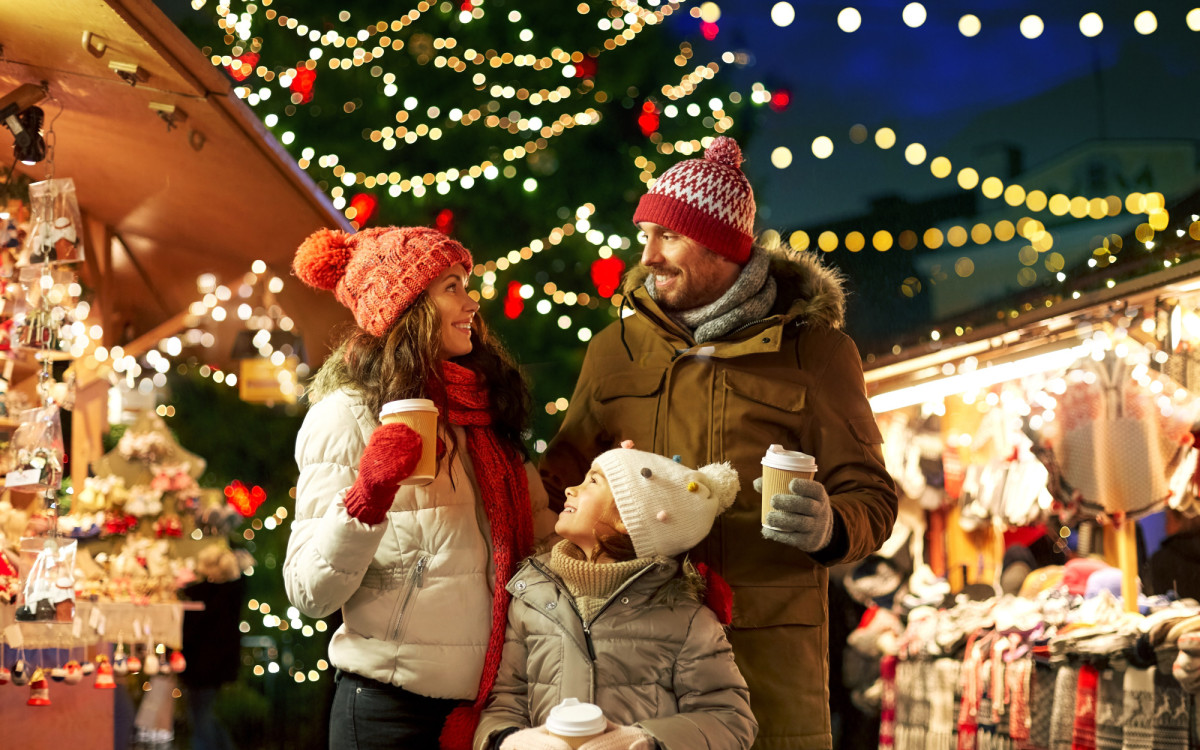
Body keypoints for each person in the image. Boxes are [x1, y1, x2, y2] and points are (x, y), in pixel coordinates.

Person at [539, 136, 898, 750]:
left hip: (765, 663)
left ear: (722, 247)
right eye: (644, 234)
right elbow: (556, 489)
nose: (647, 256)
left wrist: (830, 526)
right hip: (636, 669)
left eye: (667, 237)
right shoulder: (613, 350)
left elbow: (872, 495)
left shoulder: (816, 352)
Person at [286, 226, 557, 750]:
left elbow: (540, 550)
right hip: (390, 711)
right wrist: (367, 499)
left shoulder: (487, 408)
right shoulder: (345, 417)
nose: (471, 302)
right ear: (405, 308)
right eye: (451, 286)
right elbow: (309, 592)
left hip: (496, 708)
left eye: (466, 284)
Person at [476, 448, 757, 750]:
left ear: (629, 517)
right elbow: (506, 701)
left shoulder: (686, 617)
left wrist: (646, 741)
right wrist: (508, 741)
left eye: (592, 482)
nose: (570, 488)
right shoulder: (530, 595)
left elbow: (730, 718)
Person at [181, 544, 247, 750]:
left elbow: (192, 630)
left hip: (202, 666)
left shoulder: (205, 596)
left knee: (200, 718)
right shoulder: (232, 595)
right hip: (214, 667)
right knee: (204, 715)